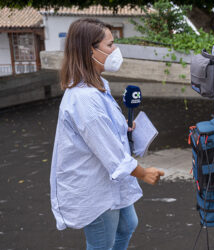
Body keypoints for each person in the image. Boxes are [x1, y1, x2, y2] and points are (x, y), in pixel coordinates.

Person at [50, 18, 164, 250]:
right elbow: (109, 151)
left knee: (127, 224)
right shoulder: (84, 98)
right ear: (90, 50)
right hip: (95, 186)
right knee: (102, 242)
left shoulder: (97, 84)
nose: (115, 51)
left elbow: (102, 126)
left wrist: (122, 125)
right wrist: (143, 173)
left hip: (109, 178)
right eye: (110, 45)